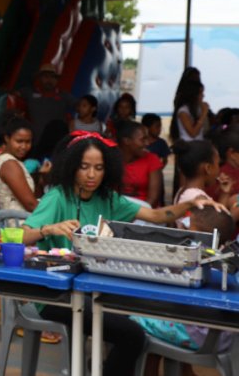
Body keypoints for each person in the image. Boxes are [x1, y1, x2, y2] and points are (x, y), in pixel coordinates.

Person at [21, 130, 227, 375]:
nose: (91, 175)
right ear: (71, 166)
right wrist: (49, 228)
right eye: (84, 167)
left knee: (133, 320)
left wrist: (189, 205)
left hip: (91, 289)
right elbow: (21, 235)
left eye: (98, 168)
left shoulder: (108, 199)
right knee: (133, 335)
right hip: (54, 295)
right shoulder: (57, 198)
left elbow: (155, 215)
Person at [133, 205, 235, 376]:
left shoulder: (199, 261)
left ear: (202, 237)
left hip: (201, 336)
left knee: (135, 322)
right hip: (223, 337)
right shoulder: (224, 259)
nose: (184, 231)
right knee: (163, 317)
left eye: (189, 229)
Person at [0, 117, 49, 212]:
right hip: (17, 222)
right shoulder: (10, 164)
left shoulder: (2, 157)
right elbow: (31, 205)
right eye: (19, 141)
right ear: (7, 138)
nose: (24, 146)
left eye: (28, 142)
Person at [171, 140, 234, 218]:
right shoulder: (199, 200)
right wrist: (234, 213)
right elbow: (215, 226)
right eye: (218, 164)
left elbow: (215, 217)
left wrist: (225, 193)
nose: (219, 170)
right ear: (208, 168)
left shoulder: (183, 191)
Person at [17, 63, 75, 147]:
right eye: (46, 76)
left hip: (57, 143)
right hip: (35, 142)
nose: (49, 80)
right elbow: (11, 97)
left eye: (52, 77)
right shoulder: (29, 92)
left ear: (56, 80)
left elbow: (82, 107)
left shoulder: (64, 96)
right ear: (40, 78)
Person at [117, 120, 163, 207]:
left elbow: (153, 198)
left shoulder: (152, 159)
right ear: (127, 141)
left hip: (145, 213)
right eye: (143, 139)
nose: (147, 143)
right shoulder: (112, 160)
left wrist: (135, 215)